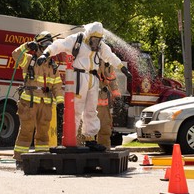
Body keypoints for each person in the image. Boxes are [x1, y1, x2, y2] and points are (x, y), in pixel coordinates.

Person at [37, 22, 132, 151]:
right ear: (89, 35)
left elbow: (110, 56)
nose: (96, 42)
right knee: (76, 109)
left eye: (98, 39)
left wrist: (123, 68)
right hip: (79, 76)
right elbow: (58, 45)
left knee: (91, 110)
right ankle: (72, 138)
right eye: (94, 39)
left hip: (93, 79)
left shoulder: (100, 46)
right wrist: (46, 54)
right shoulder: (77, 40)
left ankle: (90, 139)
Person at [12, 31, 64, 169]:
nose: (47, 48)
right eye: (45, 44)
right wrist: (26, 46)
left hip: (45, 104)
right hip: (29, 102)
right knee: (26, 130)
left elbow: (57, 85)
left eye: (49, 45)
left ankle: (41, 159)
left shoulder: (53, 66)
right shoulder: (29, 60)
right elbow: (15, 55)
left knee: (43, 132)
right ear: (39, 46)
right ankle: (20, 160)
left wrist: (60, 102)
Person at [96, 61, 121, 150]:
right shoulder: (86, 56)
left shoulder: (107, 62)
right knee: (86, 129)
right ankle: (83, 149)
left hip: (103, 102)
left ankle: (104, 149)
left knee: (105, 128)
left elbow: (112, 80)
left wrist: (117, 96)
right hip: (88, 102)